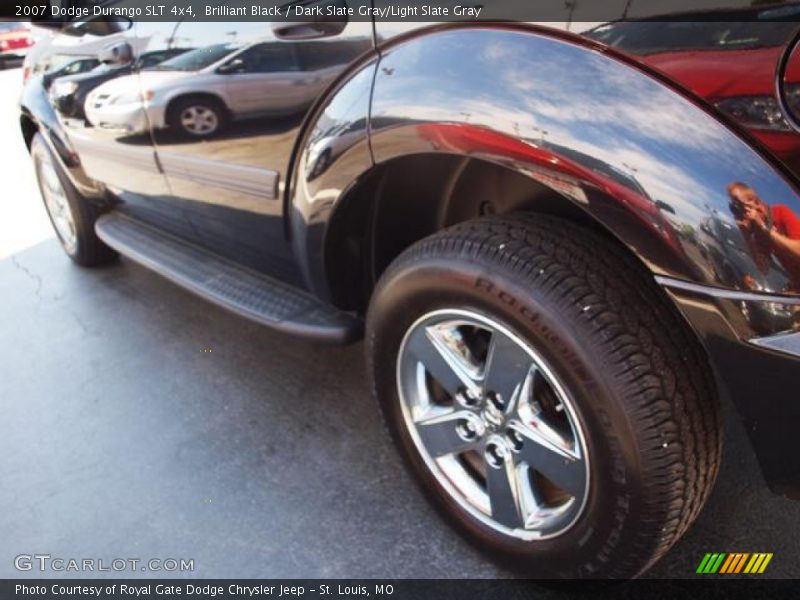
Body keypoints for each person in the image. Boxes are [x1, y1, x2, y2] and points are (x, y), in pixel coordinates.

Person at [727, 181, 800, 292]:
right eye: (736, 207)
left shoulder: (781, 212)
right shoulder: (757, 232)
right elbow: (764, 268)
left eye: (740, 205)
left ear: (754, 201)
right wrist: (746, 235)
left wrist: (764, 228)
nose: (741, 211)